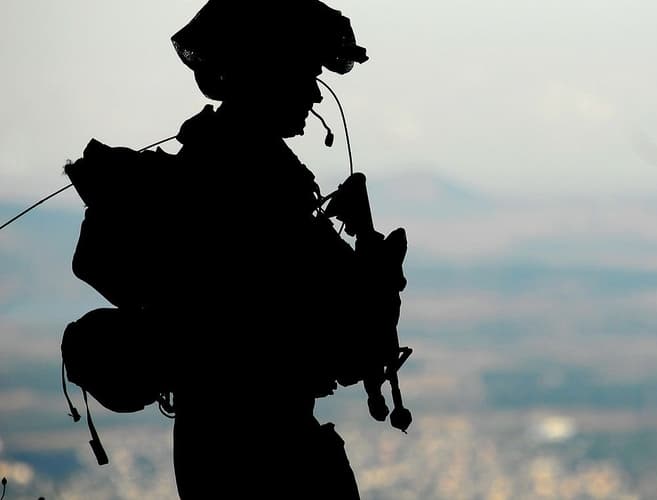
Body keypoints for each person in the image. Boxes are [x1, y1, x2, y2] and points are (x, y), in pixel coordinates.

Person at [62, 1, 405, 498]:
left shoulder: (208, 167)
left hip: (211, 446)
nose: (313, 93)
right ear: (267, 77)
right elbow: (355, 345)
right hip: (271, 452)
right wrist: (377, 263)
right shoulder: (260, 184)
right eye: (304, 74)